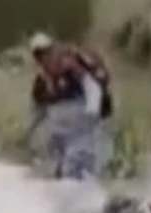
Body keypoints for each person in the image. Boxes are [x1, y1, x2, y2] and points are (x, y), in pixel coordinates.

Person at [28, 32, 114, 180]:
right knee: (58, 162)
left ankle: (87, 191)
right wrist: (28, 132)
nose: (43, 57)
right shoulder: (42, 80)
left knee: (81, 160)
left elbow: (92, 88)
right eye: (39, 54)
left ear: (53, 49)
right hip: (61, 130)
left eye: (46, 51)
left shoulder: (73, 67)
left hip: (84, 124)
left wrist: (91, 113)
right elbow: (38, 109)